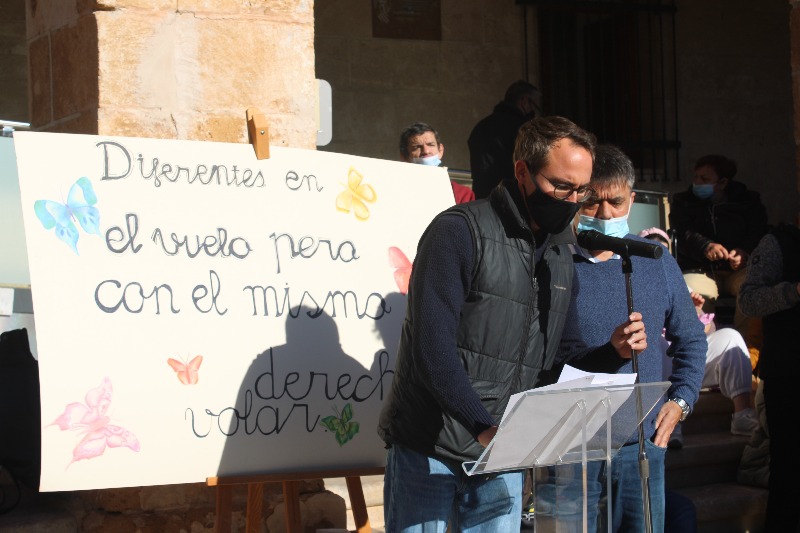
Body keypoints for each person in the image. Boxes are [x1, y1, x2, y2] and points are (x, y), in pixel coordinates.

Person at [378, 117, 648, 532]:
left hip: (504, 451)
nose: (573, 200)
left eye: (582, 191)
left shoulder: (560, 255)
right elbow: (431, 348)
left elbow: (559, 359)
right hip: (430, 446)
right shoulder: (459, 231)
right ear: (522, 171)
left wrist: (612, 353)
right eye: (561, 186)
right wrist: (484, 427)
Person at [549, 144, 706, 532]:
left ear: (632, 200)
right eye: (592, 203)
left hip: (642, 444)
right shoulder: (550, 261)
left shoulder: (656, 259)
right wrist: (607, 352)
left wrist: (681, 402)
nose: (605, 214)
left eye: (616, 202)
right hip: (569, 445)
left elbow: (692, 340)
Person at [639, 227, 758, 445]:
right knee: (656, 345)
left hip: (686, 360)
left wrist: (696, 313)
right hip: (656, 360)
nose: (658, 259)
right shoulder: (632, 281)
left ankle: (742, 415)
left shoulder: (680, 283)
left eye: (663, 253)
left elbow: (708, 330)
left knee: (730, 336)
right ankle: (667, 422)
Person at [738, 221, 800, 533]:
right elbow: (748, 300)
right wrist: (794, 291)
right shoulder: (778, 243)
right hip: (788, 378)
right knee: (788, 476)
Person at [668, 154, 768, 338]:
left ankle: (745, 348)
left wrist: (743, 252)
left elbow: (758, 232)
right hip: (701, 270)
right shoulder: (683, 202)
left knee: (753, 288)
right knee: (690, 294)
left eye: (704, 179)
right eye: (696, 177)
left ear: (722, 183)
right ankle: (702, 347)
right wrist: (705, 246)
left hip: (738, 270)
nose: (697, 182)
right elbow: (682, 233)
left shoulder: (748, 202)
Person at [467, 80, 540, 199]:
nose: (535, 113)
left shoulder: (481, 126)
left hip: (482, 198)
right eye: (535, 107)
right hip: (512, 200)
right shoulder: (523, 130)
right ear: (524, 102)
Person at [399, 122, 475, 204]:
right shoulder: (397, 192)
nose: (426, 151)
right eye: (417, 147)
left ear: (440, 150)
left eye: (430, 145)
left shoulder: (462, 194)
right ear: (404, 156)